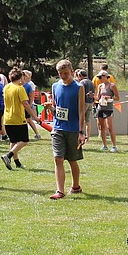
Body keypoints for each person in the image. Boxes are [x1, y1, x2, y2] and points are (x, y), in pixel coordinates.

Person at [50, 59, 88, 199]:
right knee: (58, 158)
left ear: (72, 71)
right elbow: (55, 108)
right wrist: (50, 108)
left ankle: (76, 186)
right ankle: (60, 191)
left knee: (72, 160)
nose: (63, 76)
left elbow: (81, 111)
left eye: (66, 73)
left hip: (73, 129)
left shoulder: (79, 87)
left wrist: (81, 132)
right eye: (60, 74)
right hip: (58, 128)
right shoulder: (55, 86)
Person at [0, 67, 37, 171]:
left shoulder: (6, 87)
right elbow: (26, 104)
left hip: (7, 118)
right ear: (20, 77)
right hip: (18, 118)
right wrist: (34, 117)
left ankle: (17, 163)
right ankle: (8, 155)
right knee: (24, 140)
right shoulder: (20, 88)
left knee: (13, 141)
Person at [95, 71, 119, 152]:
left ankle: (114, 146)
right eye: (99, 77)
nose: (100, 79)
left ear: (105, 76)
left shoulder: (112, 86)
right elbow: (98, 98)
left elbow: (117, 97)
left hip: (108, 108)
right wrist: (92, 96)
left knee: (110, 127)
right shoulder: (100, 86)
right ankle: (104, 145)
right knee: (102, 127)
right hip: (101, 108)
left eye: (100, 77)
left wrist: (109, 97)